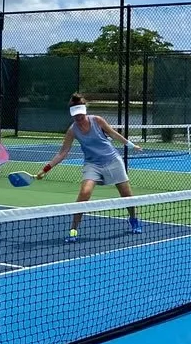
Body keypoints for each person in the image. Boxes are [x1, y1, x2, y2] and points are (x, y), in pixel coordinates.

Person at [37, 94, 144, 243]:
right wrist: (46, 169)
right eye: (76, 116)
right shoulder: (72, 130)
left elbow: (113, 134)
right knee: (84, 193)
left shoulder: (97, 120)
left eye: (80, 115)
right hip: (92, 164)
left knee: (126, 195)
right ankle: (73, 230)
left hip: (112, 160)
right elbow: (62, 153)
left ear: (85, 111)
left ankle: (133, 219)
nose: (79, 118)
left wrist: (132, 146)